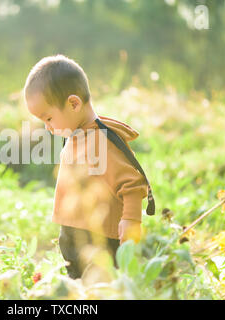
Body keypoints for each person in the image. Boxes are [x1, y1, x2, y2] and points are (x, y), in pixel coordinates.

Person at [23, 54, 154, 280]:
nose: (47, 128)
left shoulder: (102, 141)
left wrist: (131, 221)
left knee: (100, 286)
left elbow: (133, 183)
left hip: (100, 240)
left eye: (49, 119)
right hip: (74, 236)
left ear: (73, 103)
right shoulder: (77, 135)